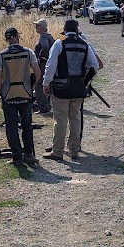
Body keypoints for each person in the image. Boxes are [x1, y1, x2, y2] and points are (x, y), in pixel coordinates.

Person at [42, 19, 100, 161]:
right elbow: (95, 66)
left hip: (60, 88)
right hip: (78, 87)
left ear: (65, 29)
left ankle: (57, 151)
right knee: (75, 118)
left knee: (60, 119)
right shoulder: (85, 44)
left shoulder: (59, 43)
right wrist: (84, 82)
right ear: (77, 29)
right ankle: (74, 149)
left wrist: (46, 83)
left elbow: (51, 65)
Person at [0, 27, 41, 165]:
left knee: (11, 127)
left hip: (9, 95)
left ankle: (16, 157)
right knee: (27, 125)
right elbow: (38, 73)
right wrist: (32, 87)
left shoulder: (0, 55)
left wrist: (2, 92)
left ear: (6, 39)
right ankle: (29, 154)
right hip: (25, 93)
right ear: (17, 37)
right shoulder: (28, 52)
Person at [32, 19, 55, 115]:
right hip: (50, 63)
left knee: (39, 85)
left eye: (37, 26)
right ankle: (48, 105)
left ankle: (43, 107)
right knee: (48, 84)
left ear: (43, 27)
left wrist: (41, 58)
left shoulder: (43, 37)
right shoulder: (50, 36)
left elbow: (45, 47)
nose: (36, 27)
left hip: (43, 64)